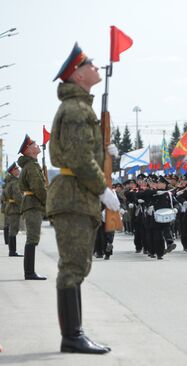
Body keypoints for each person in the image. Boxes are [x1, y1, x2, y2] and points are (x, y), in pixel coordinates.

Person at [46, 43, 120, 353]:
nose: (96, 67)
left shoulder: (80, 107)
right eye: (89, 64)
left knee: (76, 264)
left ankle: (74, 333)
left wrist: (105, 152)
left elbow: (84, 152)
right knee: (73, 266)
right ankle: (72, 336)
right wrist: (103, 190)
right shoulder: (76, 109)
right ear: (77, 75)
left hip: (77, 196)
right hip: (75, 196)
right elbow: (78, 157)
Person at [18, 136, 48, 280]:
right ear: (29, 150)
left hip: (31, 204)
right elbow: (39, 189)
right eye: (34, 144)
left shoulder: (30, 166)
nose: (37, 145)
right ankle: (29, 272)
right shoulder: (32, 166)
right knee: (32, 238)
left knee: (32, 238)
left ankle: (29, 271)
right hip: (33, 205)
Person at [3, 163, 23, 257]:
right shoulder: (15, 183)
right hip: (14, 208)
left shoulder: (8, 182)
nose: (18, 170)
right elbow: (18, 197)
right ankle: (12, 251)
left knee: (12, 229)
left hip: (10, 207)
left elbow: (3, 197)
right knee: (14, 230)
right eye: (16, 169)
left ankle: (12, 250)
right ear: (13, 172)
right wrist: (24, 205)